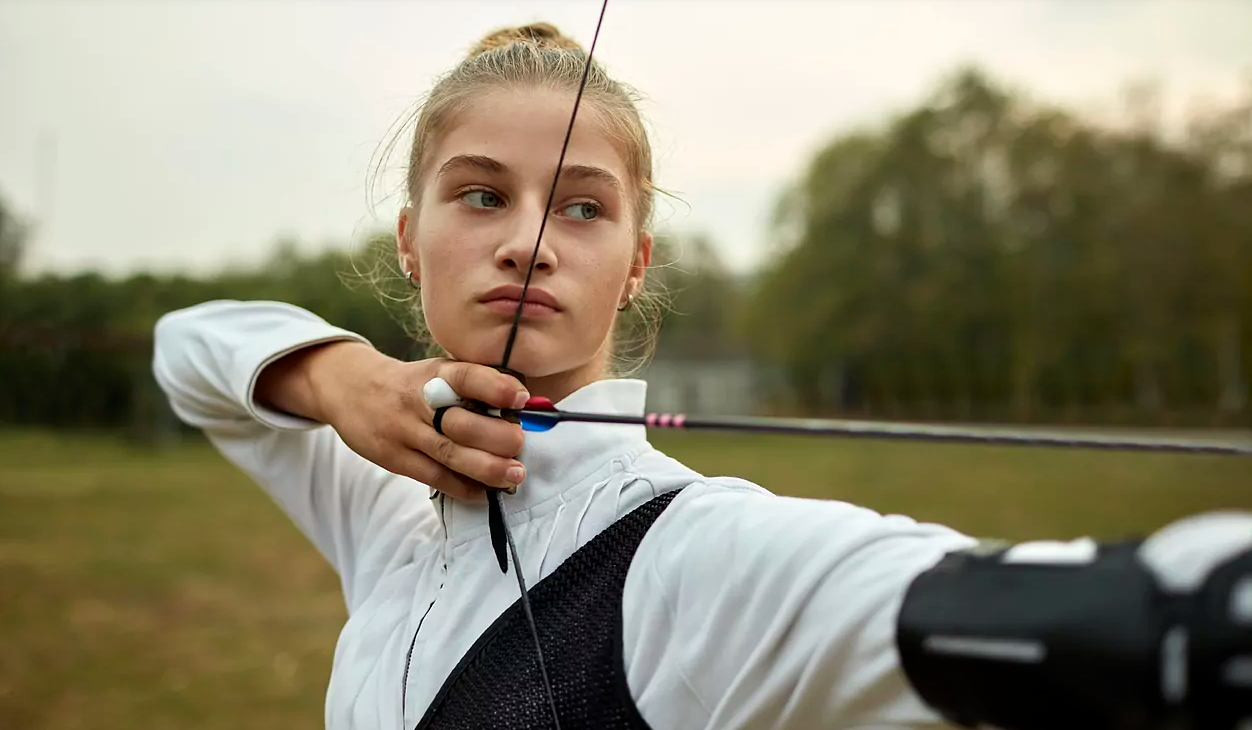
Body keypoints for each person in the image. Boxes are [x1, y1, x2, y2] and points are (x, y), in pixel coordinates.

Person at [153, 22, 1250, 730]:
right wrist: (344, 382)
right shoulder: (384, 497)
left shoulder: (690, 554)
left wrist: (1186, 618)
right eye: (480, 194)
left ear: (633, 265)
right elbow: (189, 348)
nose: (530, 242)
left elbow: (928, 600)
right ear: (408, 237)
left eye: (581, 207)